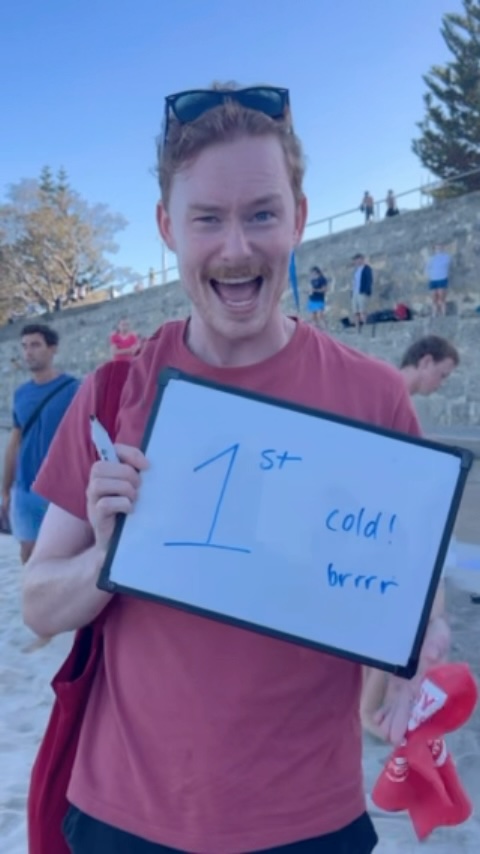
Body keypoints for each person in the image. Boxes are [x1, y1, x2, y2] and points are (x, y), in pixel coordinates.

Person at [23, 82, 449, 854]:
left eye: (261, 213)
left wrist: (424, 648)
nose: (236, 247)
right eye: (207, 219)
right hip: (123, 818)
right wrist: (110, 556)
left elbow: (416, 603)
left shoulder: (377, 397)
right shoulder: (115, 391)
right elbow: (39, 606)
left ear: (299, 217)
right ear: (167, 229)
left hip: (309, 825)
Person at [360, 335, 458, 739]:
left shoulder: (388, 392)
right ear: (425, 361)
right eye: (443, 373)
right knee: (391, 617)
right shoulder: (390, 391)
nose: (442, 383)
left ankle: (366, 708)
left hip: (376, 525)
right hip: (380, 527)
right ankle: (366, 712)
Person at [2, 323, 79, 564]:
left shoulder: (75, 389)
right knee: (29, 558)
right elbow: (15, 442)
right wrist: (5, 489)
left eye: (35, 345)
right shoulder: (21, 394)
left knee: (65, 558)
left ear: (52, 348)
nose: (28, 352)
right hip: (26, 490)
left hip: (61, 490)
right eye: (24, 346)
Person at [426, 244, 452, 317]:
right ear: (434, 249)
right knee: (434, 299)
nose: (438, 249)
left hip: (442, 278)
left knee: (441, 298)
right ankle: (434, 314)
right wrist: (429, 275)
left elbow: (447, 265)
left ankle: (443, 314)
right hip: (433, 279)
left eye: (440, 247)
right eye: (437, 247)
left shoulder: (446, 257)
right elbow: (428, 268)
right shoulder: (431, 258)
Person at [351, 252, 373, 330]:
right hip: (355, 293)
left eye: (359, 259)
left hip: (362, 292)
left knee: (362, 310)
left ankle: (365, 325)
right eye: (356, 260)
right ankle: (357, 328)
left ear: (362, 259)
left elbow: (369, 280)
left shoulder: (366, 268)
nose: (357, 261)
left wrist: (366, 290)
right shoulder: (356, 270)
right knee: (355, 311)